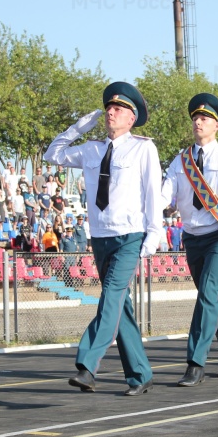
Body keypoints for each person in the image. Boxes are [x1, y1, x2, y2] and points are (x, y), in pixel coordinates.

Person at [45, 81, 161, 396]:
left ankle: (87, 364)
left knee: (110, 297)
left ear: (131, 118)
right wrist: (77, 128)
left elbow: (153, 193)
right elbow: (52, 155)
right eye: (109, 107)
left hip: (129, 236)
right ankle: (140, 374)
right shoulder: (91, 148)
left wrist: (153, 235)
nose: (111, 112)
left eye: (118, 109)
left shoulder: (142, 147)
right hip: (101, 237)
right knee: (119, 306)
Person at [160, 93, 218, 385]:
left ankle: (195, 361)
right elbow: (166, 193)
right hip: (193, 236)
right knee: (213, 297)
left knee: (208, 293)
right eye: (195, 118)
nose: (198, 122)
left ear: (216, 125)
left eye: (204, 119)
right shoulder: (181, 160)